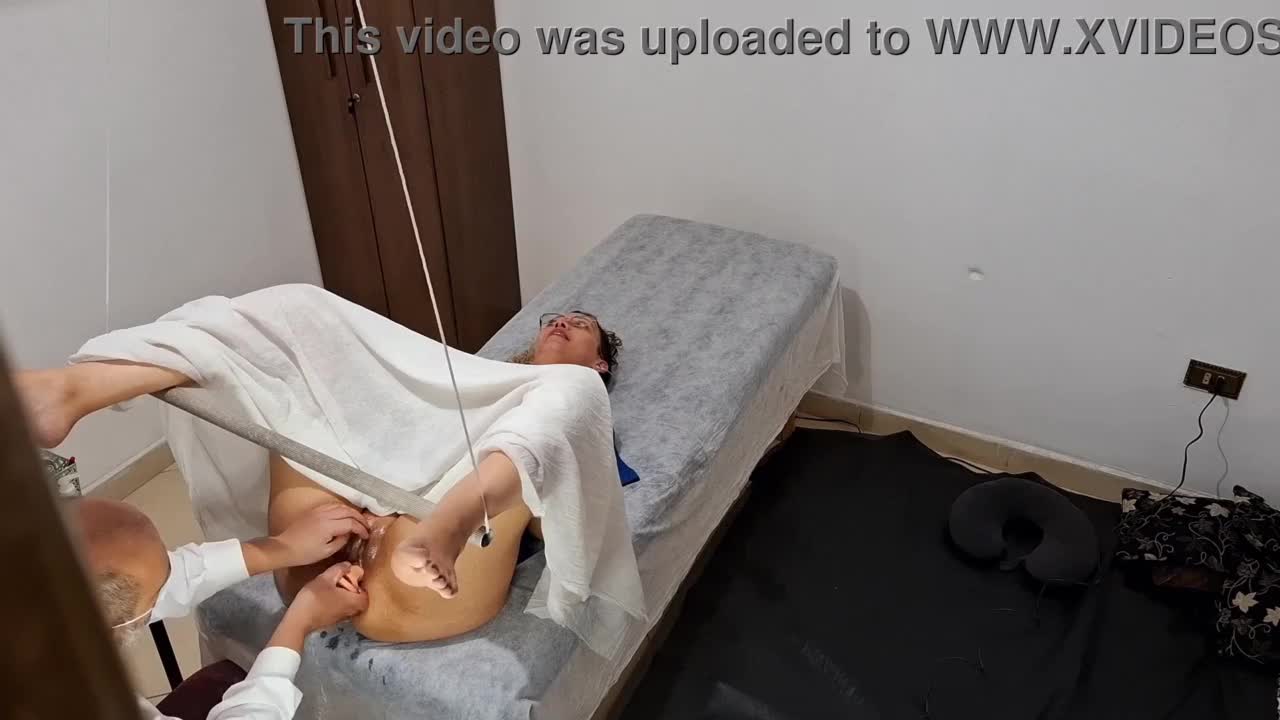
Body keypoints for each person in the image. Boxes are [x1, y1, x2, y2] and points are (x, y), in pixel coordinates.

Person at [21, 310, 624, 643]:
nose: (561, 323)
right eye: (554, 318)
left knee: (570, 396)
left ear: (601, 360)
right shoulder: (464, 375)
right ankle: (75, 389)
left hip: (421, 581)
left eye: (580, 324)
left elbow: (557, 523)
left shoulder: (573, 402)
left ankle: (452, 519)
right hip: (318, 556)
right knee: (306, 318)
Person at [64, 495, 372, 719]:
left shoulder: (50, 589)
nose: (170, 581)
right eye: (156, 594)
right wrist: (300, 622)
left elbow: (172, 577)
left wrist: (284, 547)